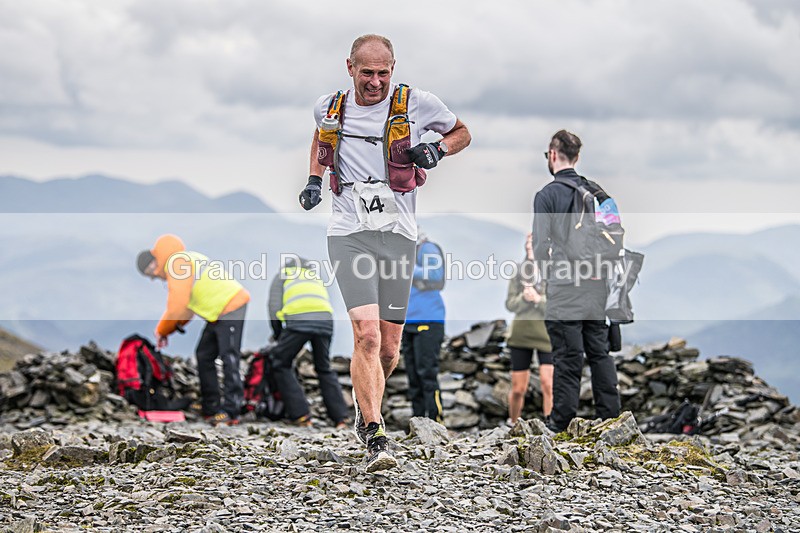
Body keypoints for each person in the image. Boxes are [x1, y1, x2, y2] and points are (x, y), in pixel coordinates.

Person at [298, 34, 471, 472]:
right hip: (349, 231)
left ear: (393, 68)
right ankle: (374, 432)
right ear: (350, 68)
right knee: (368, 336)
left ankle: (365, 402)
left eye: (383, 73)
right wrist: (314, 180)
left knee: (390, 349)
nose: (375, 82)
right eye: (367, 73)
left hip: (398, 234)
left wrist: (437, 149)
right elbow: (320, 139)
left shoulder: (418, 103)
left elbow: (462, 133)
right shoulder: (329, 107)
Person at [532, 130, 621, 432]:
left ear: (552, 155)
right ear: (577, 156)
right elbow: (615, 236)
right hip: (598, 283)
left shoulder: (547, 195)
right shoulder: (597, 193)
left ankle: (561, 423)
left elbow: (541, 245)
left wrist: (549, 278)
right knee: (599, 351)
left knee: (567, 356)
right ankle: (611, 419)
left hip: (565, 286)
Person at [136, 234, 249, 426]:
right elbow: (186, 310)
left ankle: (231, 411)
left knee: (229, 356)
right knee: (204, 354)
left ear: (156, 260)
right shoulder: (181, 261)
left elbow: (177, 307)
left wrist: (162, 330)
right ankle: (211, 407)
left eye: (151, 271)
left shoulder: (177, 263)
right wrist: (166, 331)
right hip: (218, 312)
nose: (153, 276)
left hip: (230, 306)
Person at [267, 256, 349, 428]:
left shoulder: (283, 275)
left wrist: (278, 334)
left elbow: (273, 307)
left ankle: (301, 415)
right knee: (324, 368)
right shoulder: (314, 276)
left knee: (280, 362)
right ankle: (341, 418)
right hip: (325, 323)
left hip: (298, 323)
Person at [505, 233, 553, 425]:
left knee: (548, 383)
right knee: (518, 388)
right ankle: (513, 423)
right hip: (521, 334)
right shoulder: (519, 272)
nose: (529, 246)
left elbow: (559, 305)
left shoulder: (554, 271)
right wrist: (524, 299)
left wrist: (539, 300)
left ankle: (551, 424)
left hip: (546, 335)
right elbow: (510, 304)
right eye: (528, 243)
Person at [401, 231, 446, 423]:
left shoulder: (426, 248)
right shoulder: (403, 252)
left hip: (428, 319)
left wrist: (406, 268)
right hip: (407, 321)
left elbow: (435, 273)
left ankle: (435, 422)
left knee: (426, 373)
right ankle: (418, 423)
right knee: (413, 376)